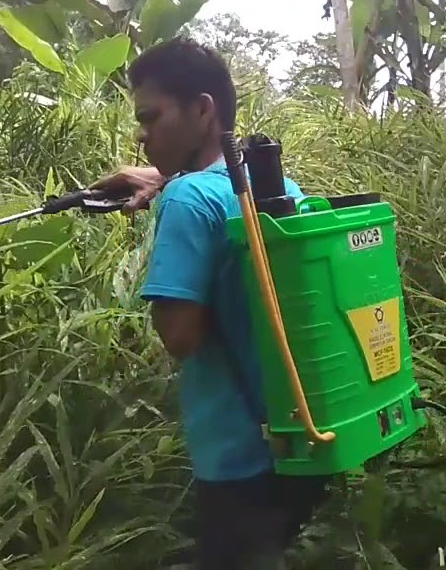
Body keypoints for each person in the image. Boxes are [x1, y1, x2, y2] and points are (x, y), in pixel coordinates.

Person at [89, 37, 329, 570]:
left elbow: (180, 336)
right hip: (302, 439)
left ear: (202, 110)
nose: (142, 136)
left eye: (152, 118)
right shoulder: (280, 185)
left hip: (235, 461)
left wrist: (166, 216)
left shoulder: (185, 200)